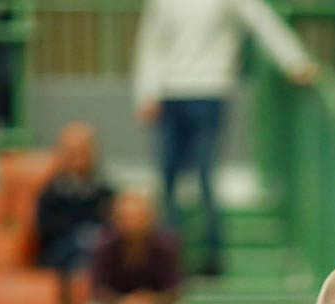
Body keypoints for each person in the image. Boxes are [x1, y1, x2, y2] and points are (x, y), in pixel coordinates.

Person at [132, 0, 316, 277]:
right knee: (168, 179)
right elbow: (151, 44)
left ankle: (213, 256)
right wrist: (147, 91)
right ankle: (170, 259)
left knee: (205, 175)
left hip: (210, 90)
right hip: (170, 93)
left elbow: (263, 22)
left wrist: (295, 61)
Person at [35, 122, 114, 283]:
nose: (77, 157)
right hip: (60, 259)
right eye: (71, 151)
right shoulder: (50, 194)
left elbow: (112, 229)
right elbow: (46, 230)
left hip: (98, 254)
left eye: (82, 151)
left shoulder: (105, 193)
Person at [89, 192, 181, 304]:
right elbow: (98, 289)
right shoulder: (103, 246)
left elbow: (174, 290)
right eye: (125, 218)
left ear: (150, 218)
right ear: (115, 219)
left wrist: (148, 302)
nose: (132, 224)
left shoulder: (167, 246)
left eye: (137, 217)